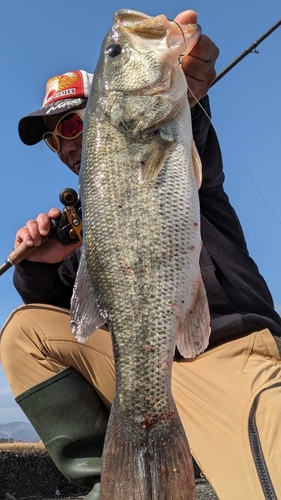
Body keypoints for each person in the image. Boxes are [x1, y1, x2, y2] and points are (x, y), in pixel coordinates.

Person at [1, 9, 281, 500]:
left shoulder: (174, 140)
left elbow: (188, 124)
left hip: (224, 353)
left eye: (70, 122)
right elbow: (75, 311)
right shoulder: (87, 226)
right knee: (23, 332)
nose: (63, 142)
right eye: (51, 138)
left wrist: (188, 86)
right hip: (145, 371)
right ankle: (109, 477)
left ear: (102, 110)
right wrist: (37, 268)